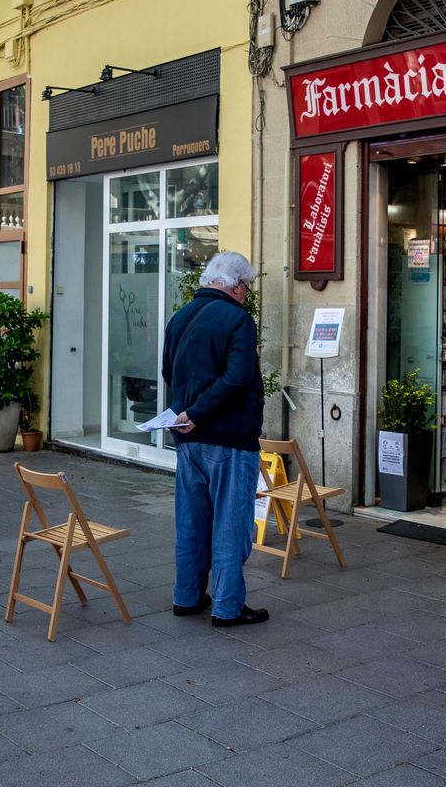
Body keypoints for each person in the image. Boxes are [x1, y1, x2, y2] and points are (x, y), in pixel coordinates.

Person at [162, 250, 269, 627]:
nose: (246, 294)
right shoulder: (238, 319)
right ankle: (227, 606)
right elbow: (237, 377)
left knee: (191, 521)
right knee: (230, 523)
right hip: (229, 437)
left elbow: (169, 372)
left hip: (187, 438)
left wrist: (187, 412)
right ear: (236, 286)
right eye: (247, 287)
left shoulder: (180, 317)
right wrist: (200, 412)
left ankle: (187, 595)